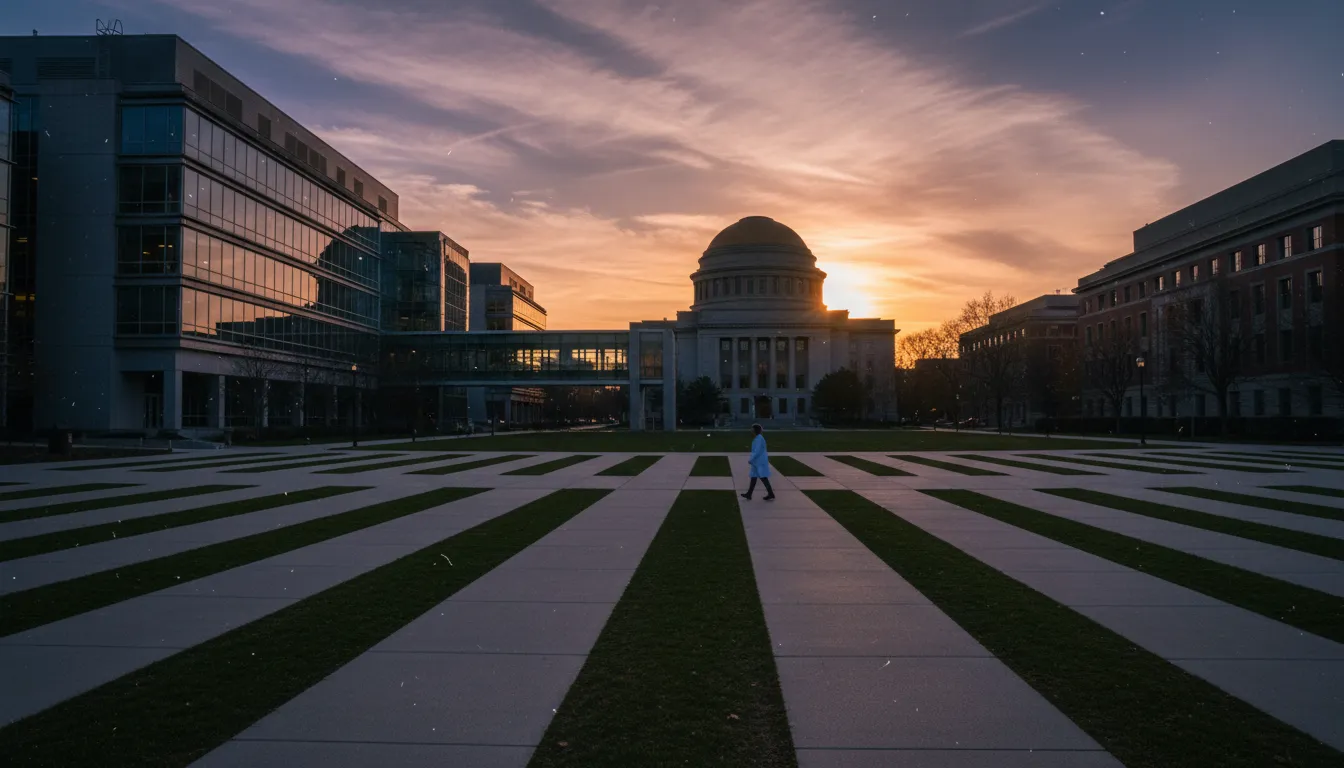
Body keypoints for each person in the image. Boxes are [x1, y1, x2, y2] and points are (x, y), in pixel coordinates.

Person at [741, 423, 775, 501]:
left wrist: (751, 459)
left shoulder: (759, 438)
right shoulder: (757, 438)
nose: (750, 430)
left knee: (763, 478)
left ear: (755, 430)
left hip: (759, 462)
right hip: (757, 462)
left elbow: (757, 451)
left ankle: (771, 494)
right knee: (754, 477)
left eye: (752, 429)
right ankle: (749, 494)